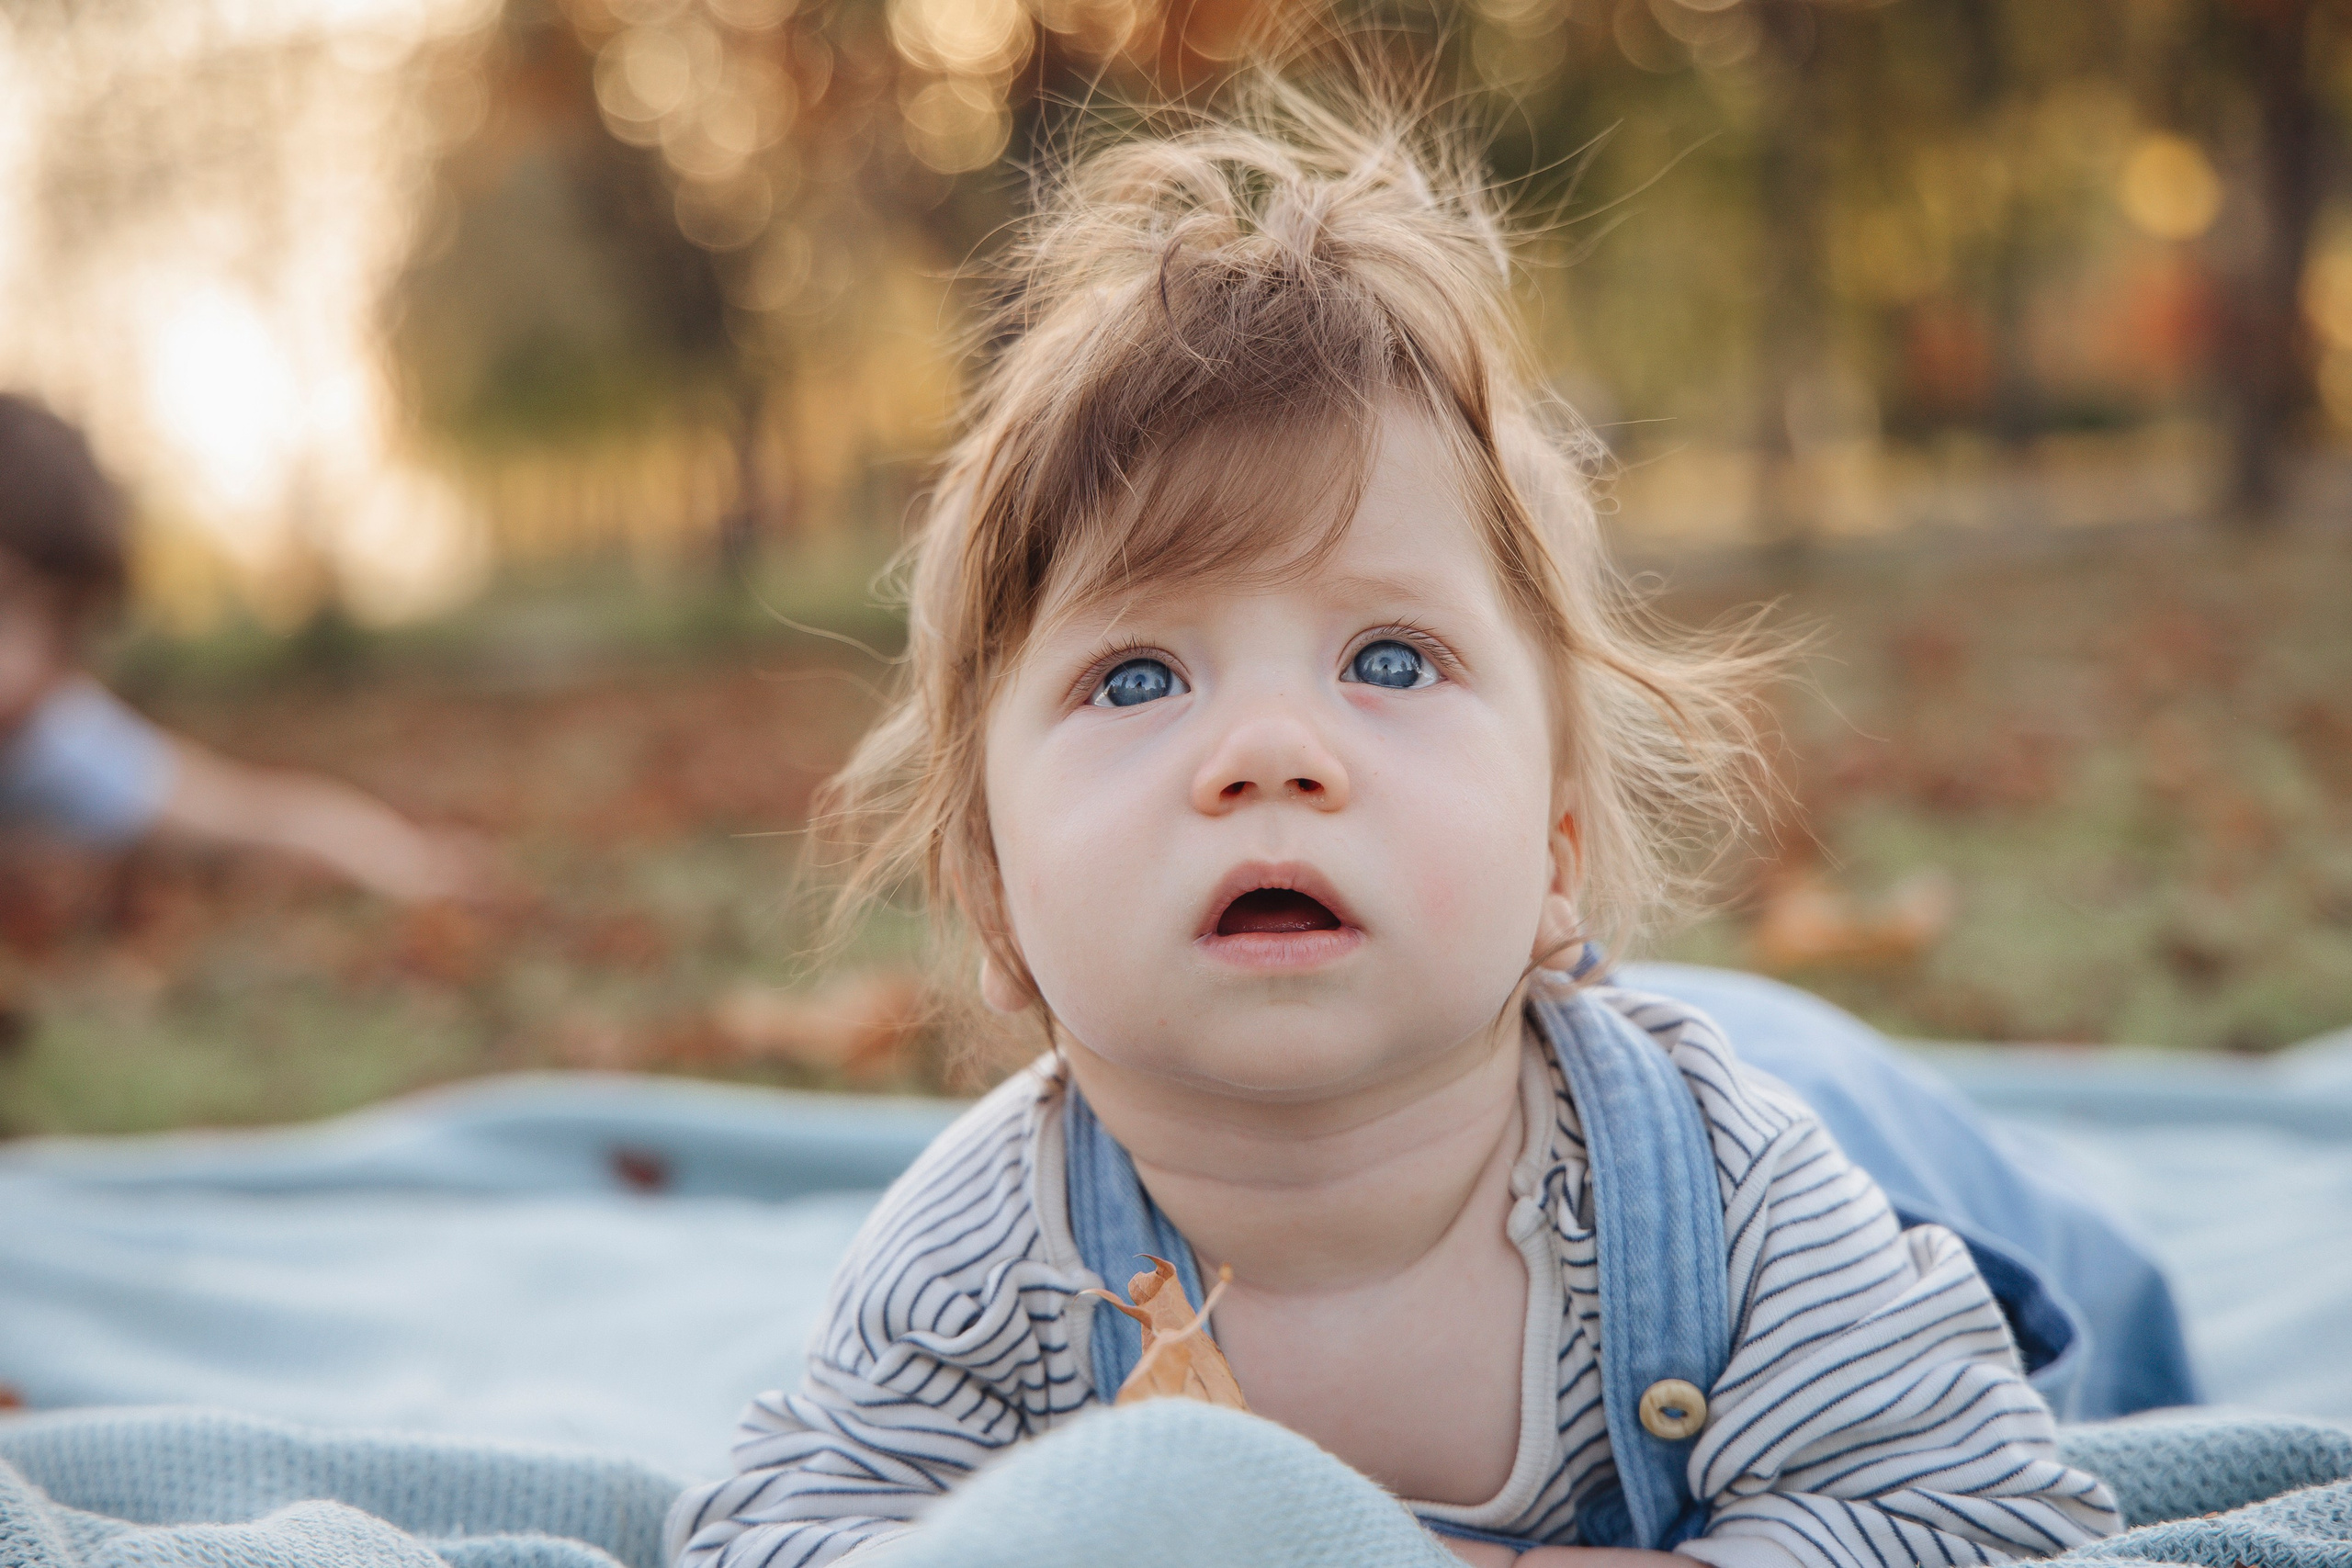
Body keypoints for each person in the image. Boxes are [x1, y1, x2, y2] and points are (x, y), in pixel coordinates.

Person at [669, 76, 2154, 1568]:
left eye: (1389, 660)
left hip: (1869, 1143)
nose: (1265, 752)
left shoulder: (1730, 1189)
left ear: (1559, 853)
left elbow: (1995, 1508)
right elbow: (768, 1536)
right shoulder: (989, 1265)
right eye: (1136, 674)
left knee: (2058, 1278)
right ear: (993, 899)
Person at [0, 393, 482, 903]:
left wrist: (400, 859)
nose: (24, 665)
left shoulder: (46, 740)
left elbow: (246, 814)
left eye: (65, 630)